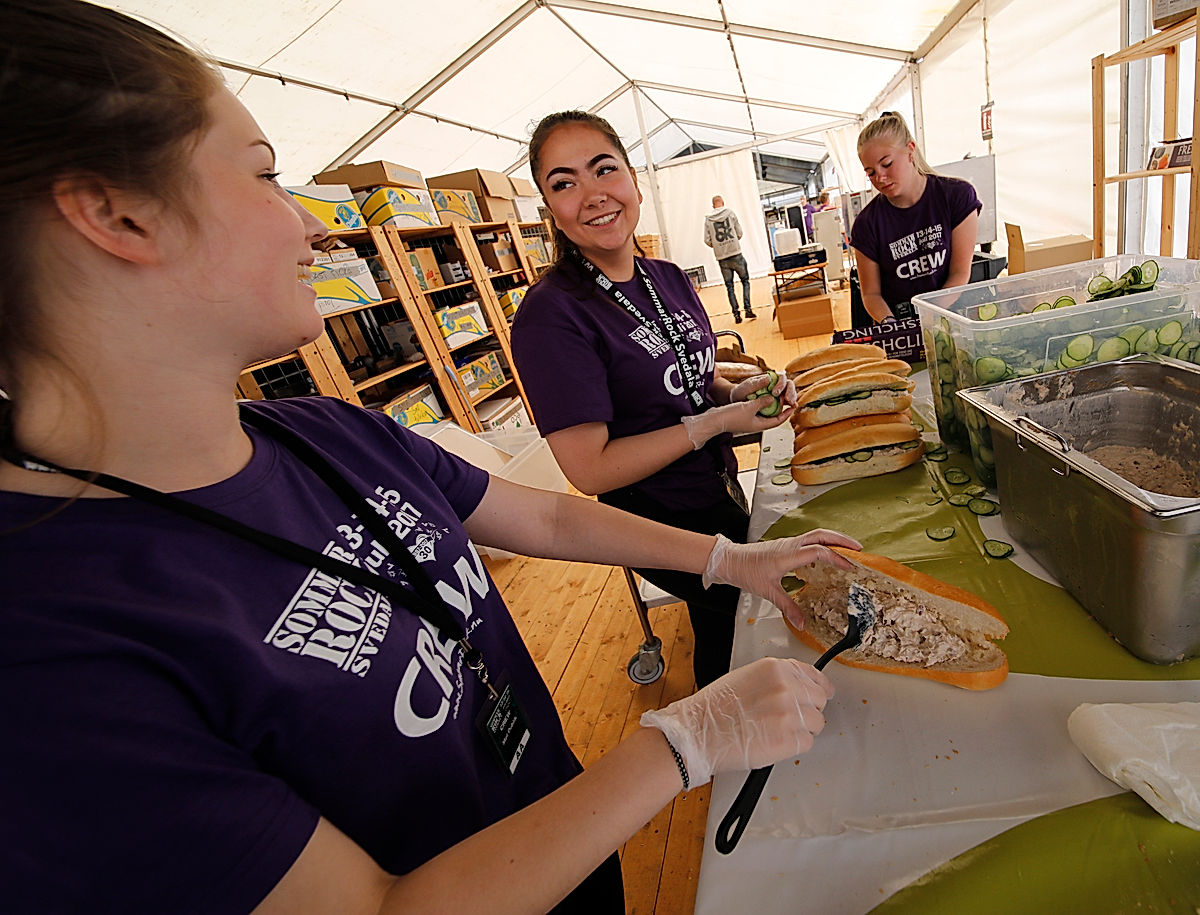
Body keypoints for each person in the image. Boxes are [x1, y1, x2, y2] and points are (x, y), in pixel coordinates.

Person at [0, 4, 865, 912]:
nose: (315, 230)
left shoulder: (323, 429)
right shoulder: (47, 646)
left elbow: (545, 516)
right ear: (118, 213)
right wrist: (676, 745)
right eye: (265, 175)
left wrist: (734, 559)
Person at [510, 111, 804, 690]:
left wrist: (734, 390)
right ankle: (729, 742)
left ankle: (729, 732)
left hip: (710, 485)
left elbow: (687, 378)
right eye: (564, 184)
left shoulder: (666, 275)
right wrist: (716, 421)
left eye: (604, 170)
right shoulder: (551, 315)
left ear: (634, 180)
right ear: (551, 211)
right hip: (652, 517)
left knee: (725, 623)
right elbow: (589, 468)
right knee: (751, 608)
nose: (592, 196)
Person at [849, 111, 981, 327]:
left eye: (887, 164)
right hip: (900, 327)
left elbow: (959, 273)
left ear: (910, 150)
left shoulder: (957, 197)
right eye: (871, 172)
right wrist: (891, 324)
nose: (880, 178)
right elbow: (871, 294)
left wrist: (928, 316)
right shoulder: (867, 224)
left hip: (952, 320)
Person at [703, 194, 755, 322]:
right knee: (745, 281)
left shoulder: (708, 219)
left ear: (713, 205)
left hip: (722, 258)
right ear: (723, 202)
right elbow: (739, 233)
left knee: (729, 286)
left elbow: (707, 240)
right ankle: (748, 309)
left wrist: (717, 246)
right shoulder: (730, 213)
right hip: (735, 253)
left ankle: (736, 315)